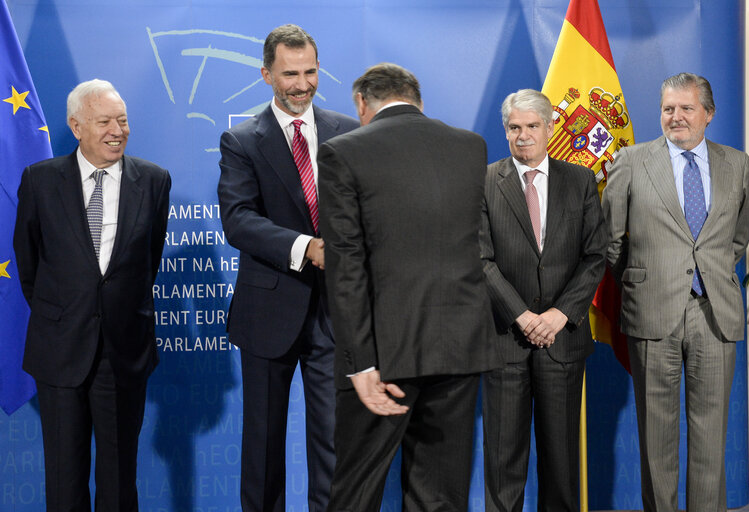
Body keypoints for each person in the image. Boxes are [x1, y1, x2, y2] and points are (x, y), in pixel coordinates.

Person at [317, 62, 499, 511]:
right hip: (459, 346)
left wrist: (360, 364)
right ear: (417, 98)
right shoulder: (469, 146)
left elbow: (346, 266)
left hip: (383, 356)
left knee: (357, 491)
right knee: (440, 493)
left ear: (363, 102)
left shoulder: (342, 151)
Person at [217, 24, 358, 512]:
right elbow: (238, 221)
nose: (302, 84)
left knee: (334, 446)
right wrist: (306, 247)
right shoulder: (241, 140)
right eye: (289, 74)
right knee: (263, 447)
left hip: (336, 314)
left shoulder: (349, 132)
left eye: (310, 72)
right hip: (268, 311)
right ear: (265, 74)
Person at [13, 79, 170, 511]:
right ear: (76, 125)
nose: (116, 130)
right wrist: (66, 312)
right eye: (104, 121)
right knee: (64, 481)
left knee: (120, 480)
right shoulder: (40, 181)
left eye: (122, 121)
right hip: (60, 349)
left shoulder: (155, 181)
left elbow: (147, 262)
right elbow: (30, 264)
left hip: (123, 351)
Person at [602, 72, 749, 512]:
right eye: (669, 108)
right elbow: (611, 241)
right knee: (657, 437)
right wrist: (642, 281)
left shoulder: (736, 163)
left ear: (708, 114)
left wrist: (711, 274)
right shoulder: (631, 160)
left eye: (687, 108)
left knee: (711, 435)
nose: (676, 117)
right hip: (652, 312)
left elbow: (736, 240)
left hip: (715, 313)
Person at [479, 89, 607, 511]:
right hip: (505, 342)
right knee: (503, 464)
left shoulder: (580, 180)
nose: (523, 136)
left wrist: (558, 315)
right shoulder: (484, 181)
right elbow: (480, 259)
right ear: (505, 131)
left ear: (550, 128)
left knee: (562, 462)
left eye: (532, 126)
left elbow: (595, 255)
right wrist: (521, 315)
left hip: (562, 341)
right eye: (514, 128)